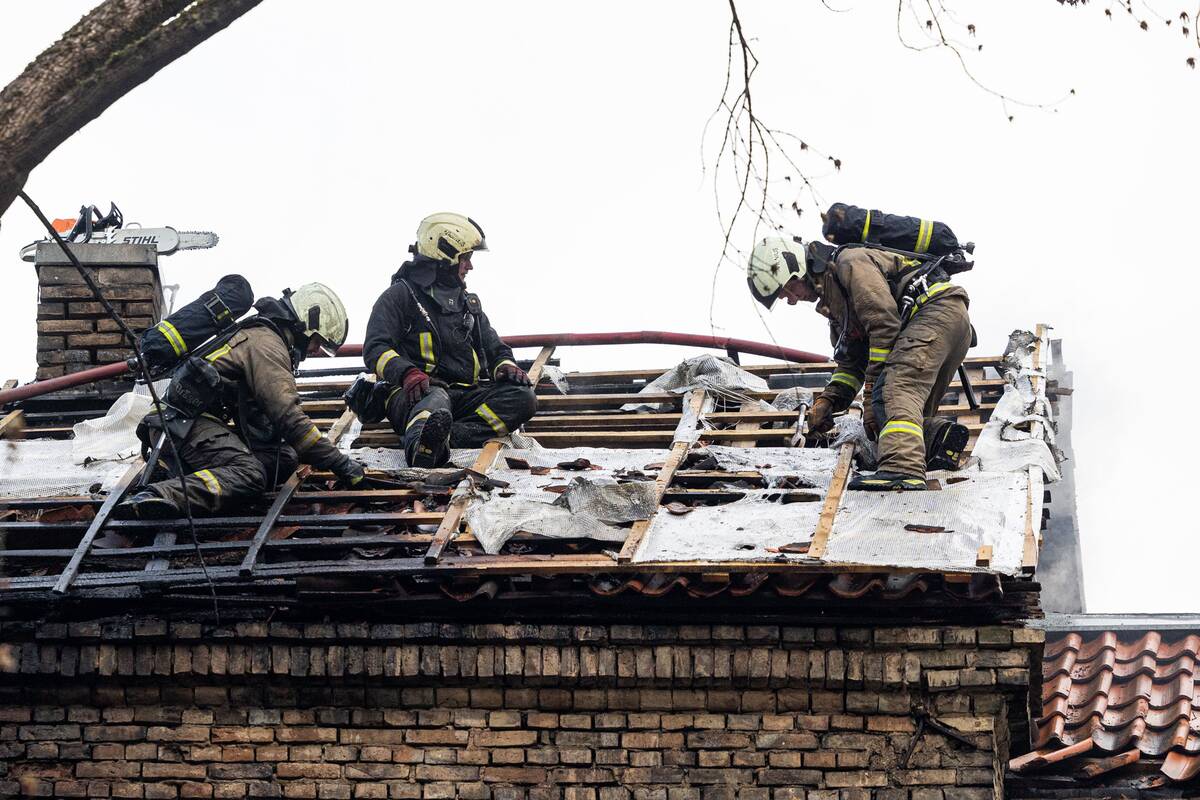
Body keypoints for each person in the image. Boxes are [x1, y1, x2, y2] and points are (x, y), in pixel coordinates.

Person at [115, 283, 366, 519]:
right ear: (305, 323)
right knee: (250, 474)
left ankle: (179, 474)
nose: (313, 351)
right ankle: (159, 494)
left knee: (284, 459)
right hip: (182, 424)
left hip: (189, 425)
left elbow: (267, 425)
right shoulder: (267, 345)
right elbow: (290, 419)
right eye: (317, 342)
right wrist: (341, 464)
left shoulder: (263, 338)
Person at [747, 236, 972, 491]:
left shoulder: (850, 263)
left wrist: (873, 388)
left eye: (788, 289)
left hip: (934, 312)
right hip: (946, 322)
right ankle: (939, 437)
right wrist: (829, 401)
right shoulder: (835, 302)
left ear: (796, 268)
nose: (791, 300)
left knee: (895, 390)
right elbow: (853, 363)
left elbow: (884, 325)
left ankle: (902, 470)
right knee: (897, 415)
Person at [362, 213, 537, 467]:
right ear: (446, 253)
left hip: (464, 397)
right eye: (466, 258)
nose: (470, 266)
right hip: (416, 396)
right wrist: (407, 374)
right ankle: (421, 450)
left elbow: (495, 348)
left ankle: (446, 437)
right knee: (436, 398)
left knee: (523, 398)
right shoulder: (400, 296)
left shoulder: (468, 303)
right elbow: (375, 349)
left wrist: (505, 366)